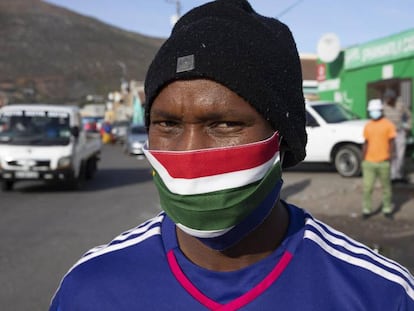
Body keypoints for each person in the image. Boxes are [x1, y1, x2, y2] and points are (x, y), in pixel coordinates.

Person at [50, 1, 414, 310]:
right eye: (167, 124)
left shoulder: (378, 294)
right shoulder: (90, 289)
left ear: (282, 137)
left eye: (224, 124)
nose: (190, 153)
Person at [362, 99, 396, 219]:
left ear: (381, 110)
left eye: (375, 110)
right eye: (372, 111)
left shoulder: (388, 125)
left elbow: (392, 142)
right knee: (367, 188)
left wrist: (391, 156)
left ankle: (387, 209)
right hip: (369, 162)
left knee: (386, 188)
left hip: (384, 162)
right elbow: (366, 142)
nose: (374, 113)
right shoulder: (368, 126)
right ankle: (366, 209)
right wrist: (363, 159)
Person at [382, 88, 412, 183]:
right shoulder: (384, 106)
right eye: (385, 98)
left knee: (400, 155)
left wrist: (408, 127)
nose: (387, 100)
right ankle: (392, 176)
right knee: (391, 155)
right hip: (388, 134)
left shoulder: (401, 104)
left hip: (399, 133)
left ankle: (399, 175)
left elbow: (409, 116)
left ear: (393, 98)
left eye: (388, 98)